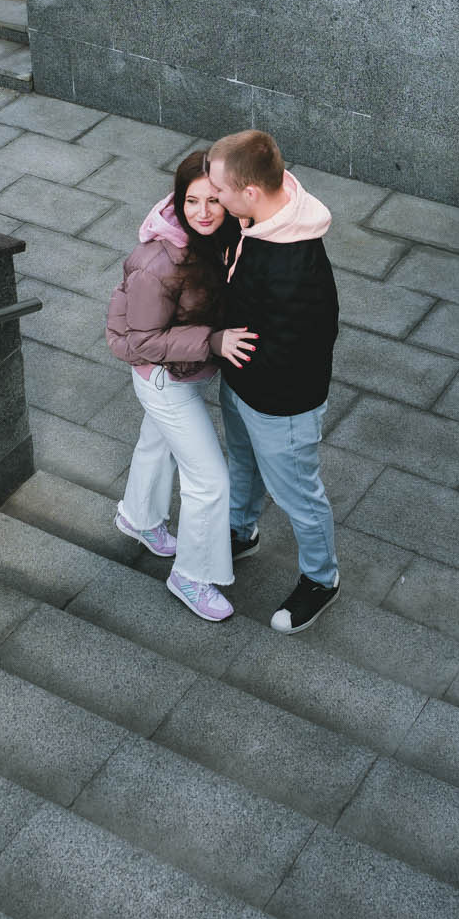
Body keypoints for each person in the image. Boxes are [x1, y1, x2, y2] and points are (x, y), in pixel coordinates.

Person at [106, 150, 257, 622]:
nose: (204, 211)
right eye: (192, 201)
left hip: (178, 370)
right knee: (210, 479)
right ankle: (190, 576)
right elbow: (141, 341)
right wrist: (213, 341)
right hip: (162, 376)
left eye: (214, 200)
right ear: (178, 199)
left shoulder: (211, 236)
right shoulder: (159, 262)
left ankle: (138, 517)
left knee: (158, 442)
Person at [203, 129, 341, 634]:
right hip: (244, 384)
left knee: (298, 495)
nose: (212, 198)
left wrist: (217, 346)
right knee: (240, 460)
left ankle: (322, 580)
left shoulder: (294, 267)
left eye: (219, 190)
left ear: (252, 192)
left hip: (281, 404)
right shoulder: (257, 217)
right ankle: (242, 532)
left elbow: (301, 347)